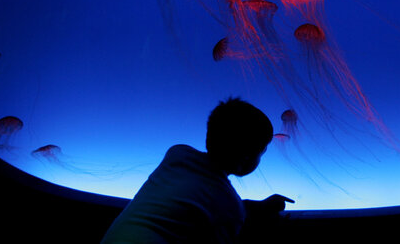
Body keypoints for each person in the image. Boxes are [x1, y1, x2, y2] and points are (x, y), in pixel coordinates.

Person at [101, 97, 294, 243]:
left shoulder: (177, 154)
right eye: (262, 151)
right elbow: (222, 212)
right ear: (247, 158)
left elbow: (196, 205)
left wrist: (258, 207)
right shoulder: (229, 208)